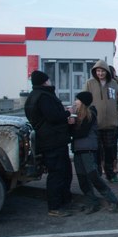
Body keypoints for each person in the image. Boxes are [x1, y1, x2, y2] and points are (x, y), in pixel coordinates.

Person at [24, 70, 75, 217]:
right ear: (45, 81)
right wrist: (68, 112)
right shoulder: (44, 96)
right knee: (58, 174)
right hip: (53, 141)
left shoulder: (32, 96)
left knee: (62, 172)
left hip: (48, 140)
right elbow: (53, 117)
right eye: (48, 80)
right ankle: (55, 207)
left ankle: (63, 202)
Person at [68, 91, 118, 214]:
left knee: (93, 176)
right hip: (78, 150)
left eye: (78, 100)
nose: (75, 102)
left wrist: (71, 126)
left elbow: (81, 133)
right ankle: (92, 202)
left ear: (83, 102)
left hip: (88, 149)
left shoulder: (90, 114)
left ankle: (112, 200)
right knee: (82, 178)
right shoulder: (77, 115)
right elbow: (74, 132)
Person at [83, 60, 118, 184]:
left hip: (111, 124)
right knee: (96, 151)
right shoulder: (89, 83)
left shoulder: (114, 84)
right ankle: (97, 175)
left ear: (107, 72)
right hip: (95, 125)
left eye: (102, 71)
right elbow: (84, 102)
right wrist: (88, 118)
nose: (100, 73)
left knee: (109, 151)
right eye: (98, 71)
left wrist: (116, 117)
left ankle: (111, 174)